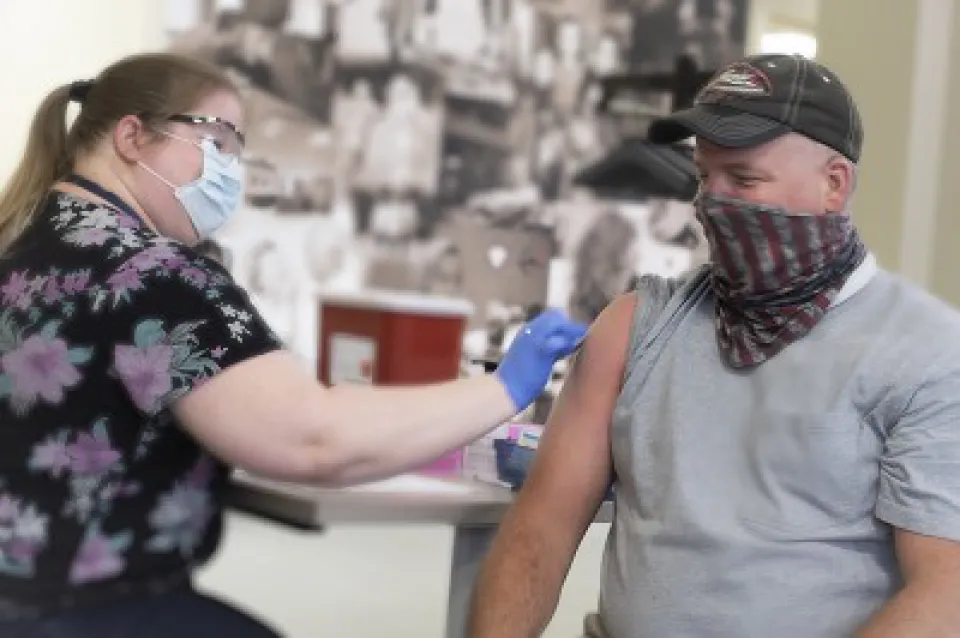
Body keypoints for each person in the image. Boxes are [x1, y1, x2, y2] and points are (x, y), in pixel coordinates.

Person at [0, 52, 587, 637]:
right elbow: (315, 439)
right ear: (132, 135)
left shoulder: (23, 251)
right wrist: (506, 384)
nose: (231, 168)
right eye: (219, 140)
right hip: (87, 611)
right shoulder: (155, 275)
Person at [468, 54, 960, 638]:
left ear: (834, 184)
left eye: (744, 179)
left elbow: (946, 592)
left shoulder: (928, 354)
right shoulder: (634, 329)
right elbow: (540, 529)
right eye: (705, 176)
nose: (712, 202)